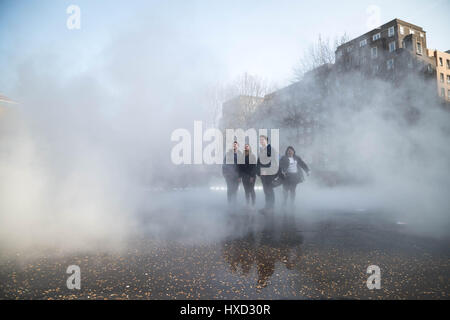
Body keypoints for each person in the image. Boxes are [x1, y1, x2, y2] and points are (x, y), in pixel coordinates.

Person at [257, 135, 278, 213]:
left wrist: (274, 174)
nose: (261, 141)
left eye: (263, 140)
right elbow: (258, 162)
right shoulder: (261, 150)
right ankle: (267, 207)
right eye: (260, 140)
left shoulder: (271, 149)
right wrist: (258, 173)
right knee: (266, 190)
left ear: (266, 141)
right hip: (263, 173)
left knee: (269, 190)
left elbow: (274, 161)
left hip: (269, 173)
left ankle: (271, 207)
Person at [222, 141, 243, 205]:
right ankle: (230, 203)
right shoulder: (228, 154)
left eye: (236, 145)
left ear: (238, 146)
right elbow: (224, 164)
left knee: (235, 189)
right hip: (229, 175)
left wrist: (240, 176)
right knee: (229, 189)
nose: (234, 146)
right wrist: (224, 173)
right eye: (233, 145)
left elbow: (242, 166)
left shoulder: (240, 154)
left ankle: (234, 203)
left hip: (237, 175)